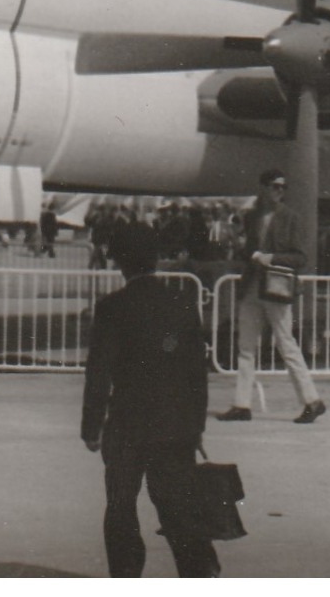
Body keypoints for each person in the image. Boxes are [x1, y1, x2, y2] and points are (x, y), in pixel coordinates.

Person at [82, 223, 219, 578]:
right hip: (175, 425)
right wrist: (197, 425)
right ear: (156, 259)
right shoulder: (182, 303)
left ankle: (126, 575)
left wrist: (91, 427)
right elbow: (196, 374)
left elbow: (98, 374)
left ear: (120, 264)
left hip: (127, 426)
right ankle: (199, 573)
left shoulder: (112, 308)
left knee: (121, 506)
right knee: (177, 506)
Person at [214, 169, 325, 425]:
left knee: (286, 344)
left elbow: (300, 257)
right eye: (274, 186)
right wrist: (241, 248)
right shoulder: (252, 217)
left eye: (282, 188)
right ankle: (242, 404)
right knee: (245, 347)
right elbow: (249, 252)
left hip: (276, 288)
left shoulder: (291, 218)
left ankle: (311, 400)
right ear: (263, 188)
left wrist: (271, 258)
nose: (279, 192)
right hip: (252, 287)